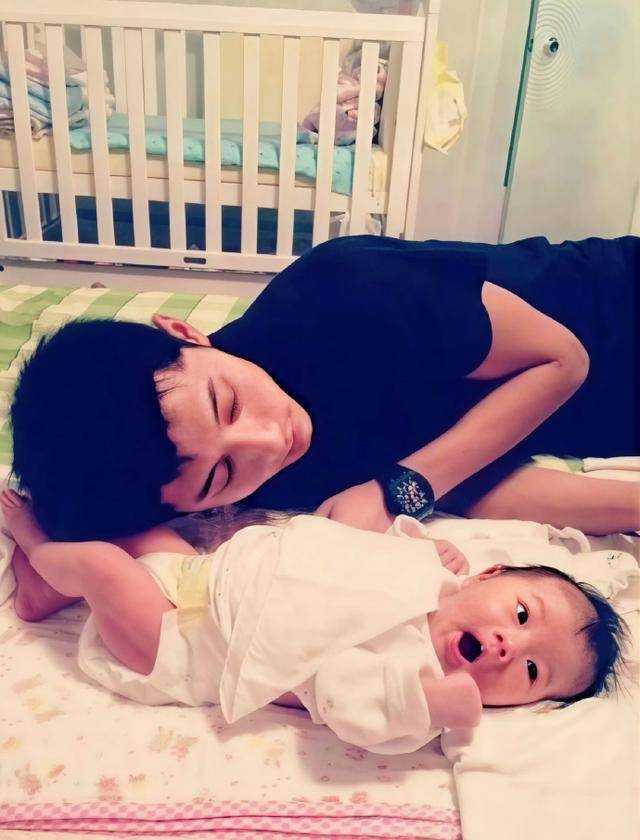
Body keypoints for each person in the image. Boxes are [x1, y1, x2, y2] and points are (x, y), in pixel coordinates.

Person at [9, 235, 639, 548]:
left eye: (228, 403)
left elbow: (563, 360)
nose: (269, 441)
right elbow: (471, 478)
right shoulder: (243, 481)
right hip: (612, 420)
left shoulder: (340, 291)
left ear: (184, 333)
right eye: (219, 476)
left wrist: (398, 489)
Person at [0, 489, 625, 755]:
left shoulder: (412, 681)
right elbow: (352, 554)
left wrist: (435, 704)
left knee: (106, 569)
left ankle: (34, 544)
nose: (509, 647)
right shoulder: (426, 579)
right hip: (204, 579)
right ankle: (43, 591)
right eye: (522, 614)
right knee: (146, 535)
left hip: (177, 644)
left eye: (533, 672)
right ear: (488, 577)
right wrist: (419, 546)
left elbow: (347, 701)